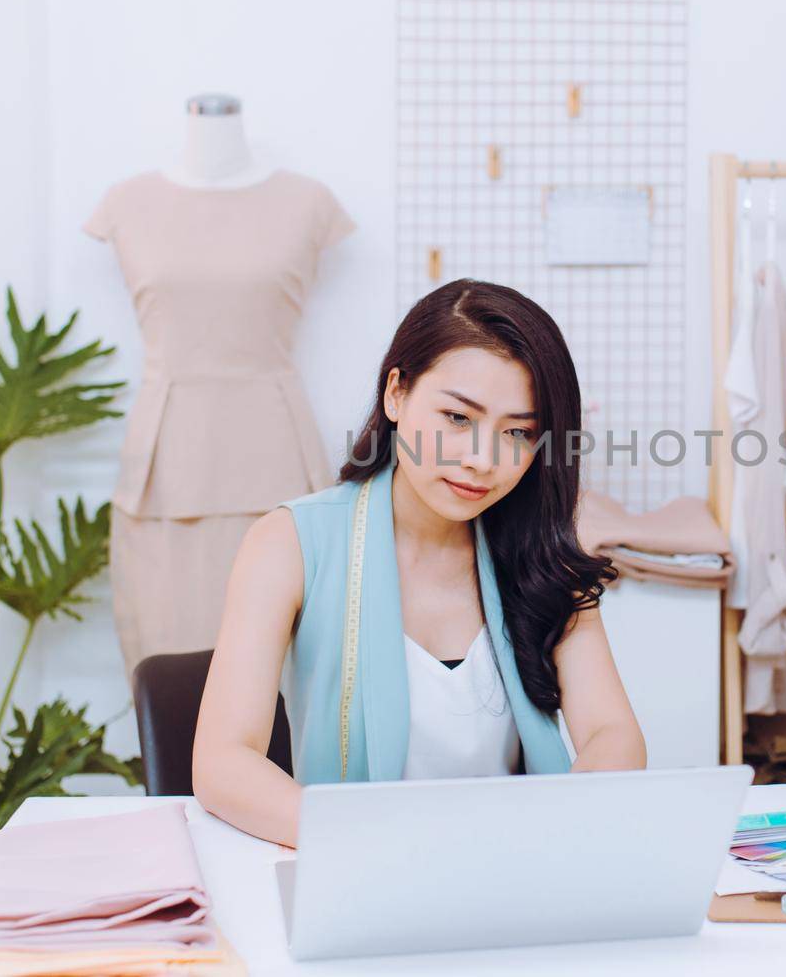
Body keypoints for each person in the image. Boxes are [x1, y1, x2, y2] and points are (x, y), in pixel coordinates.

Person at [194, 279, 646, 846]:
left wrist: (553, 830)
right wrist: (372, 843)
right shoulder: (290, 542)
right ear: (396, 395)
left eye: (518, 432)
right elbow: (222, 763)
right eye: (458, 418)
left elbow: (613, 734)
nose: (482, 460)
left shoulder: (540, 551)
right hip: (363, 868)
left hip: (517, 872)